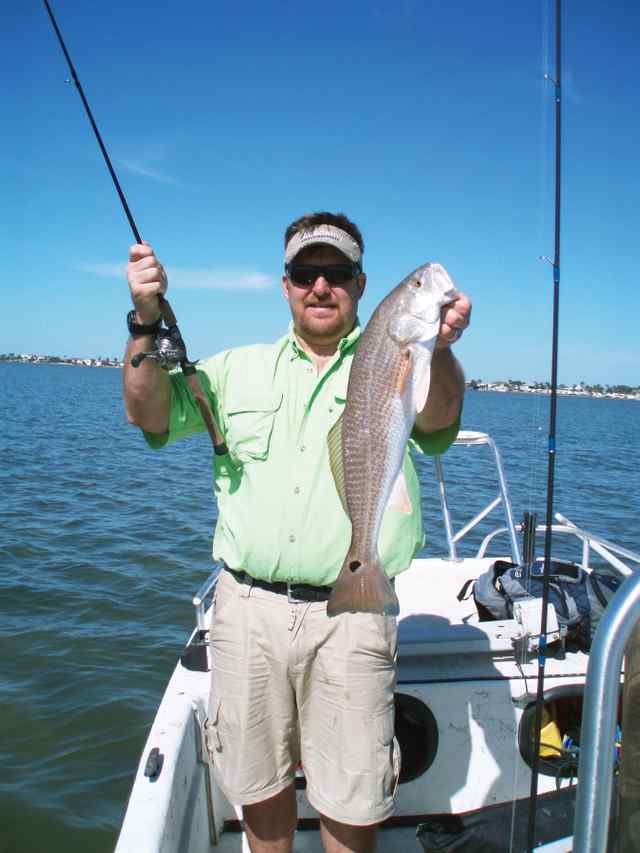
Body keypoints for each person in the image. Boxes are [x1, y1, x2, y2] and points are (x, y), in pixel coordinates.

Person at [123, 211, 471, 853]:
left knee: (353, 797)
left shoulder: (404, 357)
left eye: (336, 274)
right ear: (284, 284)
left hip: (354, 619)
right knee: (258, 788)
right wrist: (145, 315)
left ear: (362, 286)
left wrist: (439, 348)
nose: (320, 286)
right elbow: (147, 411)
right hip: (247, 612)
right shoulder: (233, 370)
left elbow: (440, 419)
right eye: (305, 273)